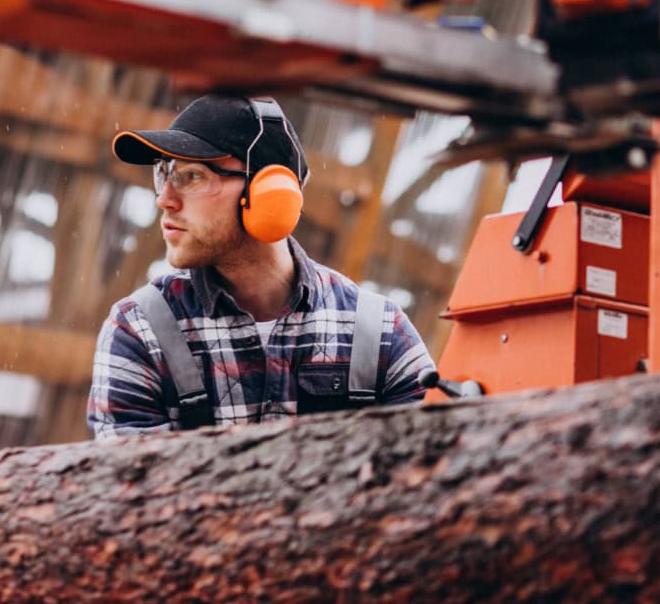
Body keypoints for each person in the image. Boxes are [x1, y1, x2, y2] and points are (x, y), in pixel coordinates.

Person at [88, 94, 435, 439]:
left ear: (270, 192)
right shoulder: (138, 332)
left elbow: (429, 470)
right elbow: (133, 489)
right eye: (163, 173)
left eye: (191, 176)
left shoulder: (380, 333)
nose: (164, 198)